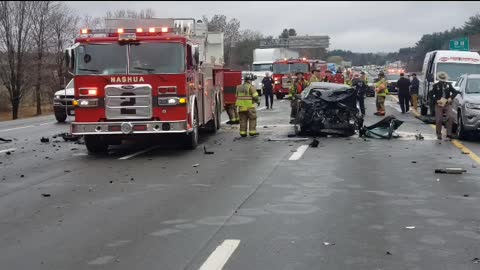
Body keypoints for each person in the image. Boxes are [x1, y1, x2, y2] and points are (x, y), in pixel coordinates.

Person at [430, 72, 457, 140]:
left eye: (444, 80)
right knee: (439, 119)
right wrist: (436, 100)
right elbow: (430, 95)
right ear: (439, 79)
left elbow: (455, 92)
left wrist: (451, 97)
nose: (443, 81)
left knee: (450, 117)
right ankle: (439, 134)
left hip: (447, 103)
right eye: (441, 80)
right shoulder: (435, 86)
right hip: (439, 103)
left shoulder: (448, 85)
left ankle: (449, 133)